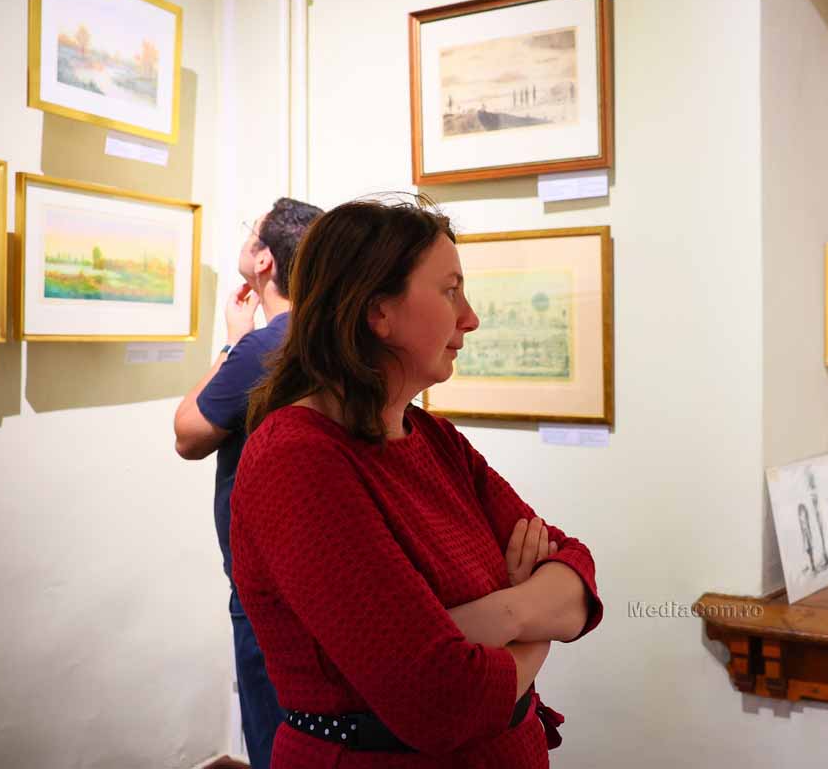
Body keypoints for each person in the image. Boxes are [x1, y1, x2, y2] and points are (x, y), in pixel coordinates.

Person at [230, 198, 603, 768]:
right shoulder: (297, 460)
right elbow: (441, 698)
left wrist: (501, 617)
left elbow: (577, 576)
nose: (470, 318)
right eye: (451, 291)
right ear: (378, 312)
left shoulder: (433, 438)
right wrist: (536, 631)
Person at [173, 197, 324, 769]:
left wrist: (233, 343)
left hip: (267, 581)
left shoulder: (266, 346)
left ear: (264, 261)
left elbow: (188, 434)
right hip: (315, 564)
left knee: (275, 737)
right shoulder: (325, 337)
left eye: (250, 232)